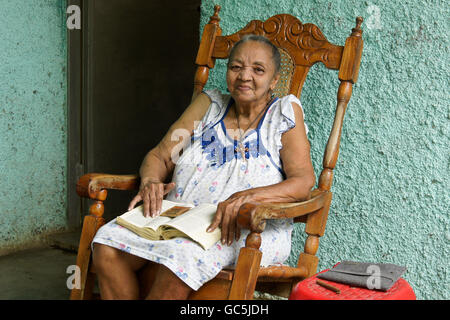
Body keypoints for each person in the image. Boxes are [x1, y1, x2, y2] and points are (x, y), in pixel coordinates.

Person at [91, 34, 315, 300]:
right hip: (179, 219)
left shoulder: (282, 114)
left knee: (180, 257)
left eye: (258, 69)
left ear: (274, 80)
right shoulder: (209, 105)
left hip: (244, 228)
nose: (244, 76)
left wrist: (246, 198)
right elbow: (161, 156)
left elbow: (303, 181)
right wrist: (151, 181)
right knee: (106, 244)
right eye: (236, 67)